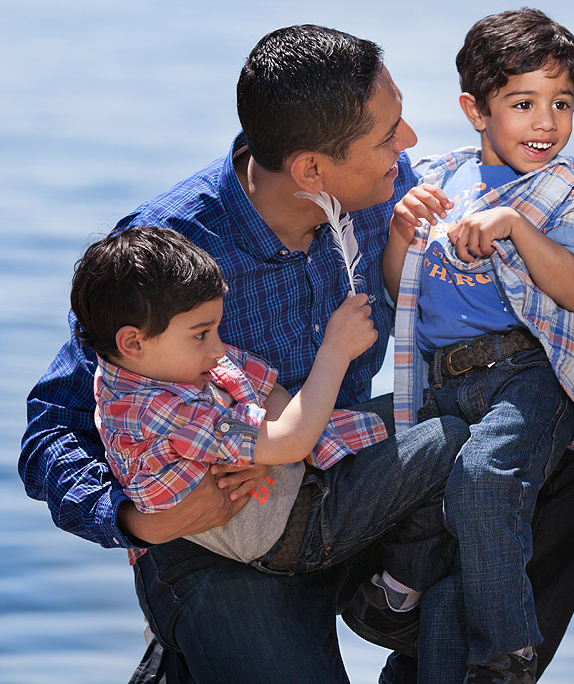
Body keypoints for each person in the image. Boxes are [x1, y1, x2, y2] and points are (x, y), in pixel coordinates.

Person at [19, 23, 574, 683]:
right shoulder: (165, 251)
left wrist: (569, 298)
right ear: (312, 169)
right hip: (226, 527)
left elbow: (490, 263)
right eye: (387, 136)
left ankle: (449, 654)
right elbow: (52, 430)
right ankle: (187, 658)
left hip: (348, 453)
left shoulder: (397, 193)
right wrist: (135, 519)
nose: (408, 145)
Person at [72, 225, 468, 659]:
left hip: (292, 479)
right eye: (202, 333)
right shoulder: (154, 408)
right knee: (446, 439)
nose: (217, 347)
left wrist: (268, 442)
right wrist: (334, 351)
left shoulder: (168, 365)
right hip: (292, 528)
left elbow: (267, 390)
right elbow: (292, 440)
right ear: (132, 342)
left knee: (423, 409)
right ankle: (395, 597)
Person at [383, 8, 574, 683]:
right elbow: (404, 289)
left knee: (485, 478)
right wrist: (400, 232)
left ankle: (505, 650)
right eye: (522, 103)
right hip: (444, 381)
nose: (546, 123)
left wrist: (515, 225)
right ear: (475, 109)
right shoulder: (435, 178)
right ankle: (407, 574)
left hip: (526, 375)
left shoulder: (567, 189)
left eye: (561, 103)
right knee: (426, 482)